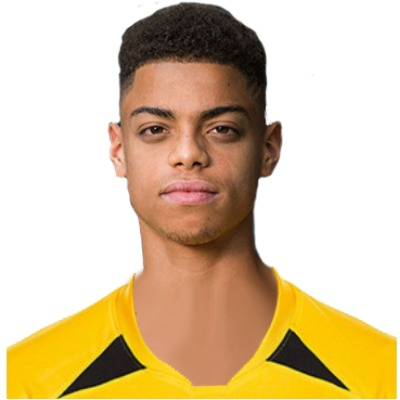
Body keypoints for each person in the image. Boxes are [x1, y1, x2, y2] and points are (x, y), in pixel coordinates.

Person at [7, 2, 396, 398]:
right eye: (155, 129)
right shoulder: (29, 379)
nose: (188, 153)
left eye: (222, 129)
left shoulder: (379, 372)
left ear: (268, 148)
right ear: (119, 150)